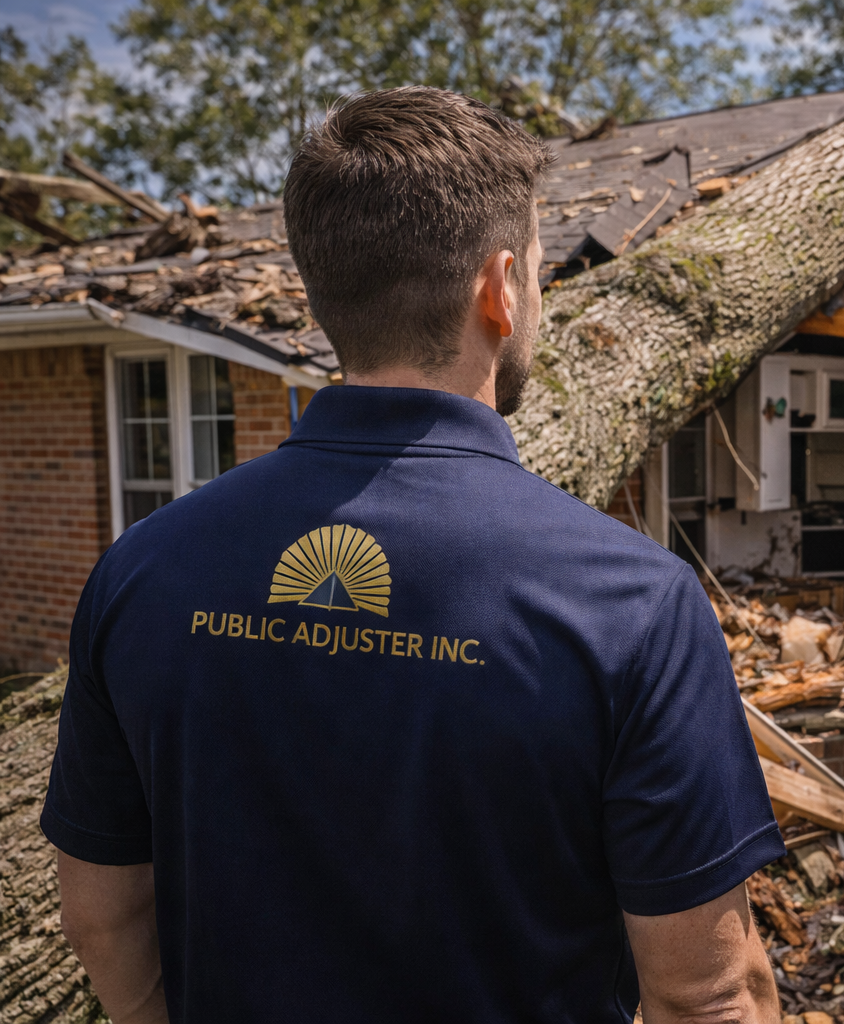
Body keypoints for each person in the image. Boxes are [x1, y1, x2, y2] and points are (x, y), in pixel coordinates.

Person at [42, 87, 783, 1023]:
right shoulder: (633, 601)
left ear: (322, 290)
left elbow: (102, 920)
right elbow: (707, 994)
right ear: (500, 289)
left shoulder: (142, 571)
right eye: (542, 276)